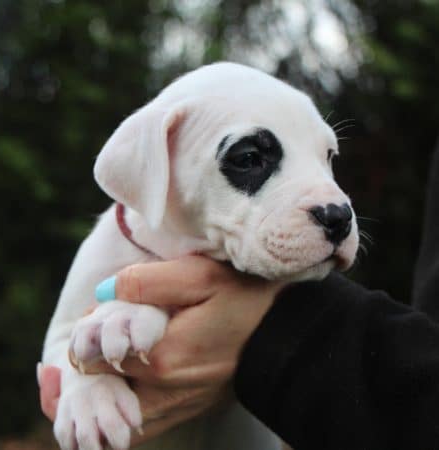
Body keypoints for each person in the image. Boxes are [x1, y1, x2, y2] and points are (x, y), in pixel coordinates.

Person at [39, 146, 439, 450]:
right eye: (248, 159)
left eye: (326, 157)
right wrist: (84, 383)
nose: (337, 205)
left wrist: (285, 328)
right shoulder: (109, 244)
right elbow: (60, 348)